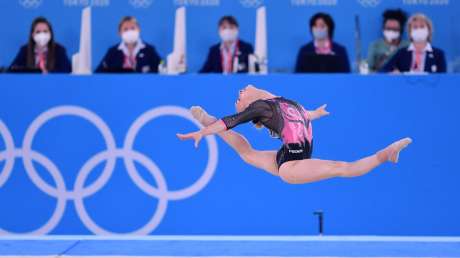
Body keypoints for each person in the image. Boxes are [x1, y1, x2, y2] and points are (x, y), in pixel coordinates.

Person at [177, 85, 412, 184]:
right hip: (290, 162)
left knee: (342, 167)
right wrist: (205, 131)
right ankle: (384, 154)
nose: (240, 92)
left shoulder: (278, 103)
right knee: (247, 154)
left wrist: (314, 114)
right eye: (239, 96)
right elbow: (229, 122)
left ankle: (384, 155)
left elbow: (299, 117)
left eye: (239, 93)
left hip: (290, 160)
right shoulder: (265, 106)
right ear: (250, 102)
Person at [381, 13, 446, 74]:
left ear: (429, 30)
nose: (419, 30)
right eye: (415, 27)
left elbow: (444, 79)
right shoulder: (402, 53)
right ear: (410, 32)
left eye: (422, 27)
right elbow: (383, 71)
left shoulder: (438, 54)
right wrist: (393, 73)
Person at [96, 16, 161, 73]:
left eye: (133, 28)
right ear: (119, 33)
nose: (129, 31)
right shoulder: (113, 52)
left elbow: (161, 68)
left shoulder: (149, 50)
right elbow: (98, 72)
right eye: (125, 29)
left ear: (139, 30)